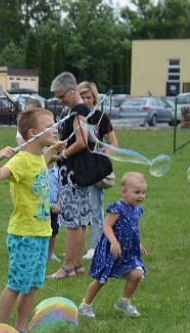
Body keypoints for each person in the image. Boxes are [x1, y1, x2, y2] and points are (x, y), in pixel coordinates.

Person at [0, 107, 64, 333]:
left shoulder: (39, 157)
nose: (55, 129)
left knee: (33, 286)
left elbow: (42, 161)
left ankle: (19, 331)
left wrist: (53, 149)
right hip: (24, 234)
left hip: (42, 233)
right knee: (16, 284)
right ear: (33, 132)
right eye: (49, 126)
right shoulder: (20, 161)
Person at [78, 172, 148, 319]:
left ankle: (124, 301)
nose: (141, 196)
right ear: (123, 192)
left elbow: (131, 229)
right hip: (112, 250)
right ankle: (85, 305)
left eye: (143, 192)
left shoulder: (136, 209)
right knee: (101, 280)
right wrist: (114, 242)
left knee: (137, 274)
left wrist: (138, 243)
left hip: (128, 251)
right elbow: (107, 226)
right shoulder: (118, 208)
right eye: (137, 192)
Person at [50, 72, 92, 280]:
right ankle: (77, 265)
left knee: (72, 221)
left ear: (72, 90)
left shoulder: (77, 111)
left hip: (73, 172)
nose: (60, 100)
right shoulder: (80, 110)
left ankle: (67, 267)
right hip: (80, 172)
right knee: (81, 220)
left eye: (61, 96)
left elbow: (82, 140)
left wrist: (61, 155)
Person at [79, 81, 118, 260]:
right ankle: (78, 247)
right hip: (77, 168)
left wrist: (102, 160)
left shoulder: (101, 117)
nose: (86, 101)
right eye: (83, 97)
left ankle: (96, 247)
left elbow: (113, 143)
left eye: (89, 97)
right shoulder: (74, 116)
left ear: (95, 98)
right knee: (78, 209)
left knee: (95, 208)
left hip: (94, 169)